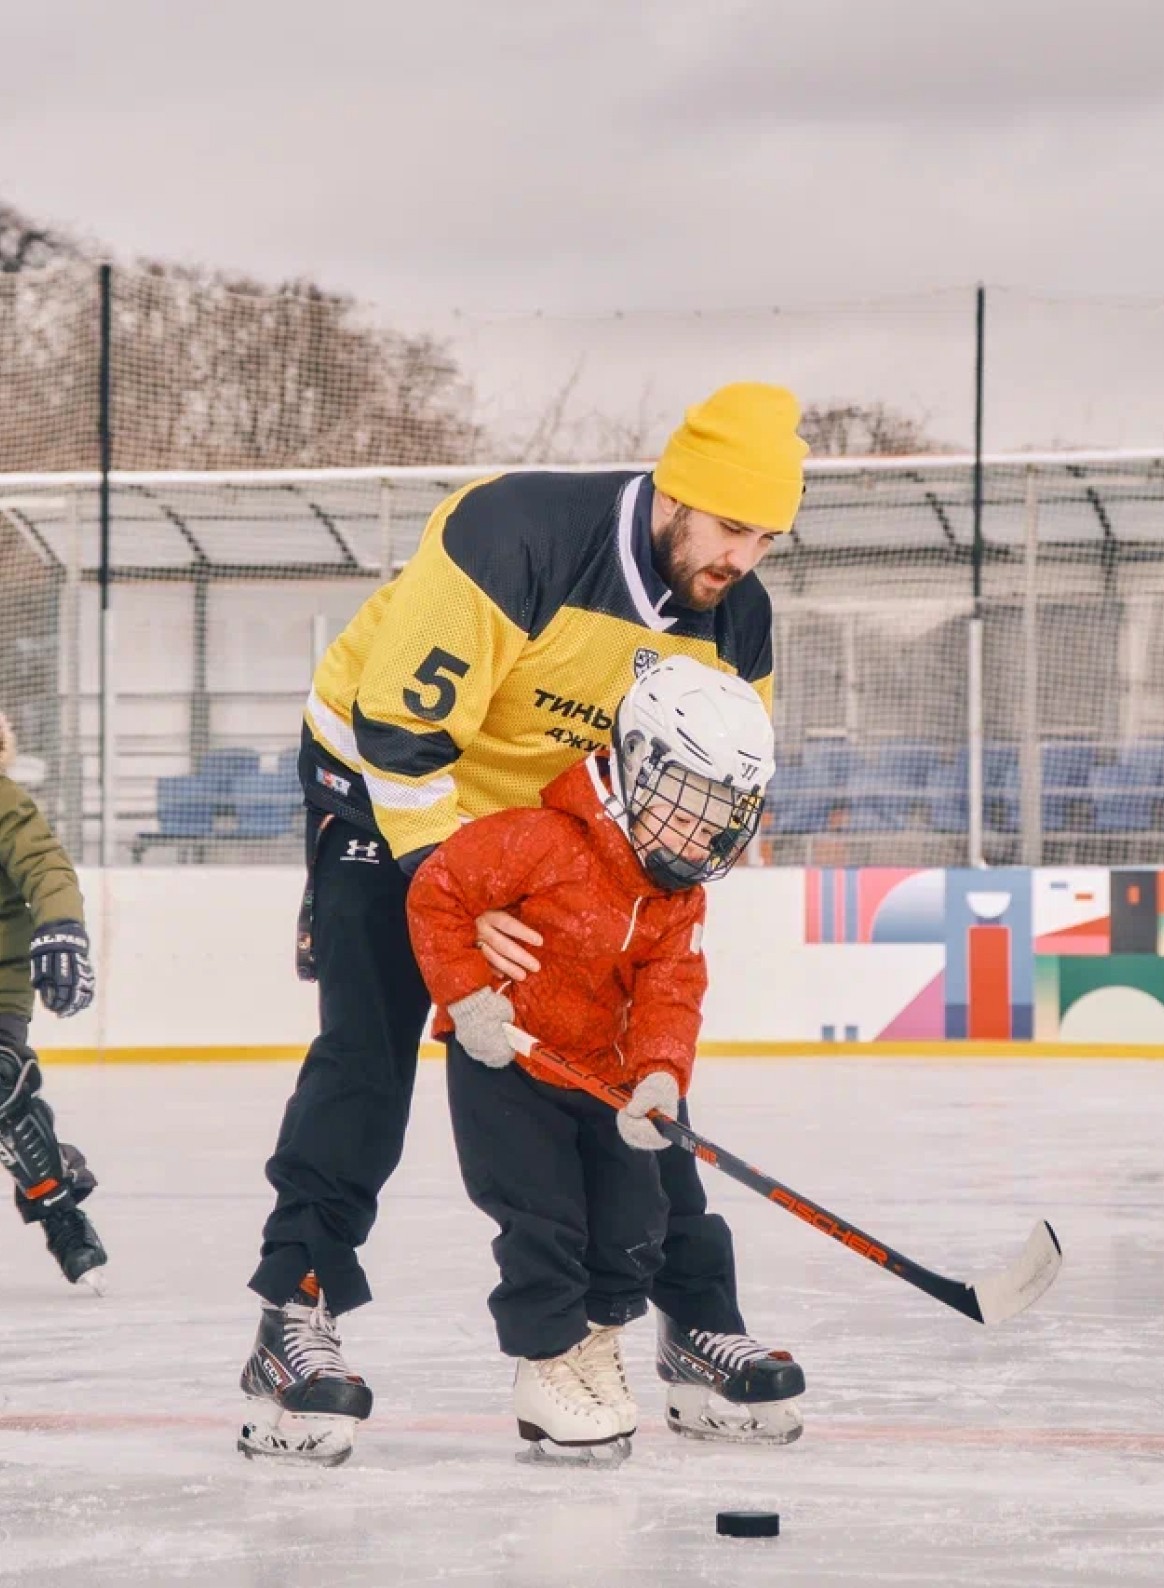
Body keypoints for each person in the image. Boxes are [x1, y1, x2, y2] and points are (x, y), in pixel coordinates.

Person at [239, 382, 810, 1465]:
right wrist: (457, 898)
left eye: (769, 536)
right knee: (373, 1039)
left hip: (551, 824)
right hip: (382, 779)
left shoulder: (738, 616)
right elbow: (401, 738)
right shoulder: (514, 534)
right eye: (733, 527)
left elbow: (708, 781)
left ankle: (693, 1318)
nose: (746, 556)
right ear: (679, 494)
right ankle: (292, 1314)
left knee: (622, 1061)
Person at [406, 657, 788, 1460]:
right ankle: (546, 1366)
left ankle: (597, 1345)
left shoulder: (677, 898)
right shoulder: (540, 839)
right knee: (542, 1222)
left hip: (605, 1080)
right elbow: (438, 890)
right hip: (508, 1066)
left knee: (634, 1224)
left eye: (724, 813)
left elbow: (672, 992)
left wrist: (659, 1077)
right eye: (691, 804)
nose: (702, 833)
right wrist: (469, 997)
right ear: (639, 769)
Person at [0, 711, 106, 1290]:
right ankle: (52, 1159)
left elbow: (45, 866)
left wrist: (61, 925)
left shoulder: (2, 800)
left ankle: (59, 1208)